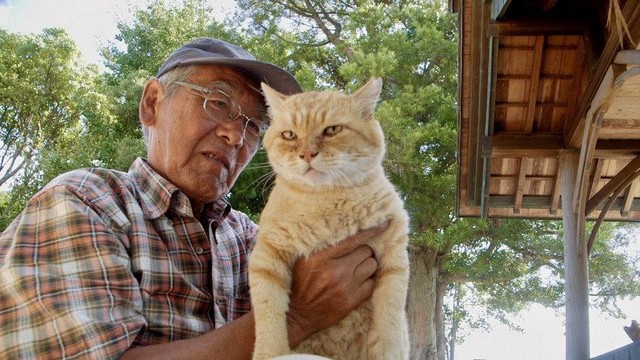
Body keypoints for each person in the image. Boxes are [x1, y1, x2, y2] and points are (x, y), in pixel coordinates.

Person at [0, 38, 383, 360]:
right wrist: (292, 316)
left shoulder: (250, 238)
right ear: (152, 103)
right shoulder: (86, 203)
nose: (236, 136)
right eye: (218, 102)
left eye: (255, 125)